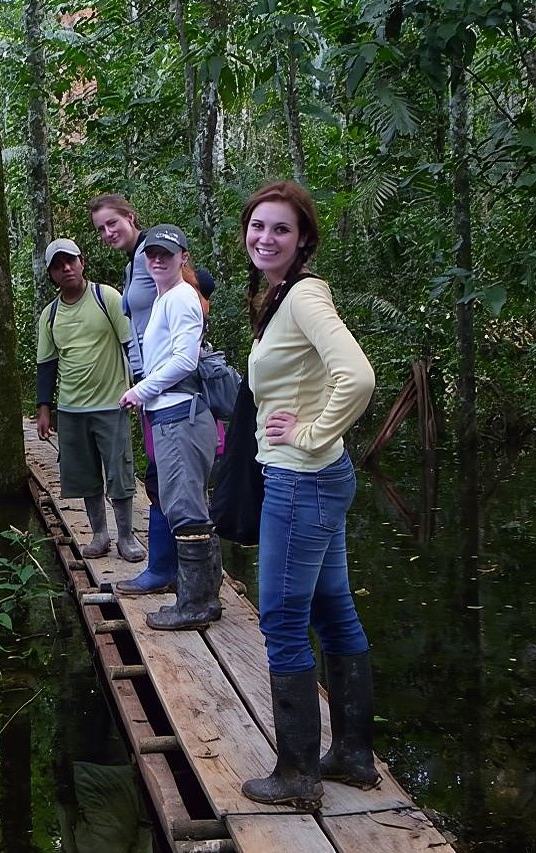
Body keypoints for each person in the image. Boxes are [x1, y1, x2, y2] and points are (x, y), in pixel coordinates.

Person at [237, 182, 379, 811]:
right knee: (332, 612)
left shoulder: (303, 296)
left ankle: (297, 774)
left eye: (281, 229)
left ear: (303, 240)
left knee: (283, 620)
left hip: (302, 480)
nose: (265, 238)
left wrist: (313, 429)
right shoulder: (281, 297)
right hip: (319, 477)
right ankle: (351, 757)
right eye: (258, 226)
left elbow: (358, 373)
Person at [117, 225, 222, 630]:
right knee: (185, 503)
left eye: (166, 254)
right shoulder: (165, 298)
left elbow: (185, 360)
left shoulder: (181, 298)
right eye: (152, 254)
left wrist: (140, 390)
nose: (158, 260)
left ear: (183, 258)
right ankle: (202, 598)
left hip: (181, 413)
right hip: (170, 412)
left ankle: (195, 605)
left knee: (186, 509)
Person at [36, 237, 146, 562]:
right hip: (71, 409)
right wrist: (45, 409)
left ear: (82, 261)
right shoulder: (51, 315)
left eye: (70, 261)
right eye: (58, 265)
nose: (66, 268)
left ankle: (126, 537)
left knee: (120, 473)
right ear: (52, 274)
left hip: (112, 403)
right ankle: (100, 535)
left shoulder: (106, 297)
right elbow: (47, 364)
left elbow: (130, 344)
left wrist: (140, 387)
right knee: (84, 475)